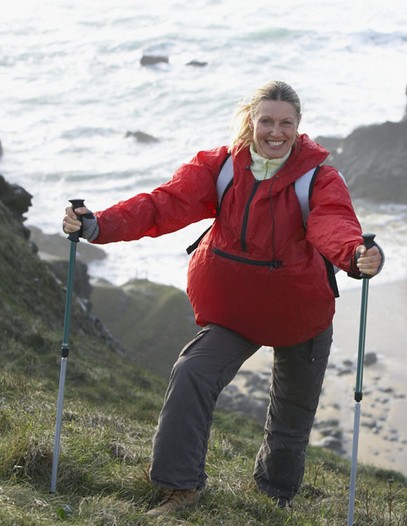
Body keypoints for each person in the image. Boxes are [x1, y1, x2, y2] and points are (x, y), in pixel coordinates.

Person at [62, 80, 383, 516]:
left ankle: (274, 500)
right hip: (234, 308)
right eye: (266, 121)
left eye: (285, 123)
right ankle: (181, 489)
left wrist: (357, 254)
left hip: (298, 311)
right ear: (250, 121)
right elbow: (162, 205)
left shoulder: (318, 177)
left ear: (299, 126)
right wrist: (98, 225)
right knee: (192, 372)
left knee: (291, 419)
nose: (275, 132)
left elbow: (334, 224)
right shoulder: (220, 167)